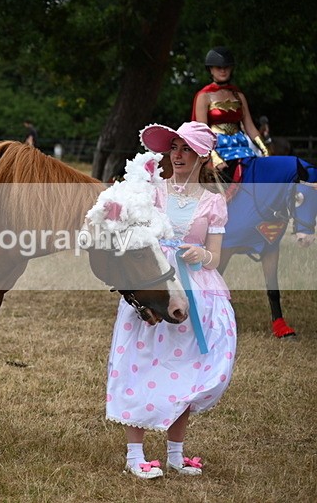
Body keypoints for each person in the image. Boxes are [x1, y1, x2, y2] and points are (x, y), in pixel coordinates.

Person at [106, 121, 237, 480]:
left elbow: (216, 256)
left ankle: (176, 454)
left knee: (184, 370)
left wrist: (201, 254)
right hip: (156, 283)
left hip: (194, 288)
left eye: (185, 149)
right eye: (174, 148)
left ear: (201, 157)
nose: (177, 155)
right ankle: (136, 455)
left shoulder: (213, 202)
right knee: (140, 362)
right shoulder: (153, 192)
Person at [191, 46, 268, 183]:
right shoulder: (204, 96)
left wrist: (265, 150)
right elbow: (201, 132)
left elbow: (250, 127)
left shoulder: (238, 95)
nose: (223, 70)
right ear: (210, 69)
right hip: (217, 150)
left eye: (226, 67)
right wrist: (213, 157)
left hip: (243, 149)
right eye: (218, 67)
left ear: (231, 68)